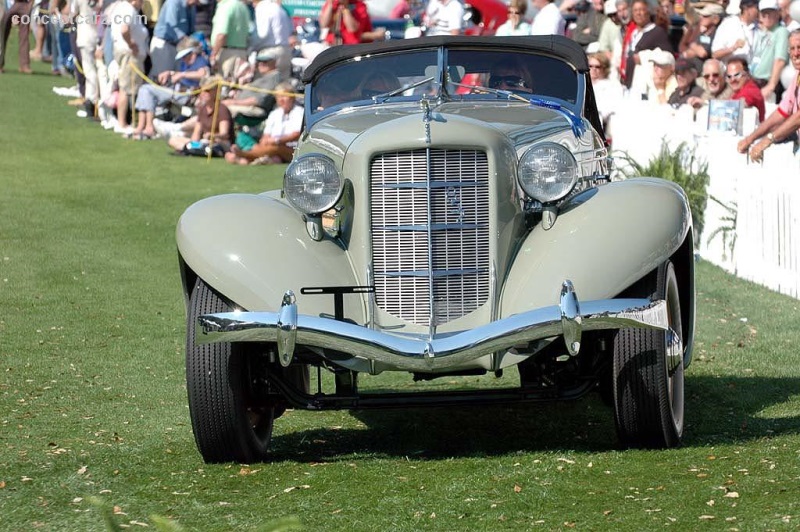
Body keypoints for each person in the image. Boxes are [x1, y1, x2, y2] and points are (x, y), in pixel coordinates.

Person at [130, 36, 210, 140]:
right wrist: (171, 73)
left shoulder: (200, 61)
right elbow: (180, 74)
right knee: (145, 89)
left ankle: (148, 127)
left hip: (186, 94)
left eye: (186, 56)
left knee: (147, 90)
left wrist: (182, 75)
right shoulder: (186, 63)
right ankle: (142, 126)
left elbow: (203, 74)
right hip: (176, 91)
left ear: (193, 53)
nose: (184, 59)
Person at [738, 30, 800, 160]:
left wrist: (768, 139)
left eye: (799, 47)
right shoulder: (797, 77)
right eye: (792, 49)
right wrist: (751, 138)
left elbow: (798, 117)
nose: (796, 53)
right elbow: (781, 113)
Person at [225, 81, 303, 164]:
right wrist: (265, 141)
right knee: (273, 154)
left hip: (293, 149)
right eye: (279, 96)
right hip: (273, 148)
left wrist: (277, 141)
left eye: (284, 96)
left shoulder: (299, 112)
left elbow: (296, 134)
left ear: (292, 97)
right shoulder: (275, 113)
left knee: (276, 148)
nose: (281, 99)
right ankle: (247, 161)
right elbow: (266, 135)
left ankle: (244, 155)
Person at [111, 0, 150, 135]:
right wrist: (132, 44)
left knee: (127, 88)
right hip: (129, 54)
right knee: (126, 88)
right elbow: (124, 29)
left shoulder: (122, 8)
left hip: (125, 52)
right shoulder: (128, 9)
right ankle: (122, 122)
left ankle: (126, 121)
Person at [169, 76, 234, 154]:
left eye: (207, 91)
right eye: (202, 90)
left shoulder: (222, 109)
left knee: (208, 144)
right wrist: (193, 142)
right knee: (173, 140)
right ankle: (192, 149)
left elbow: (224, 134)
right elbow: (197, 132)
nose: (203, 94)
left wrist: (212, 136)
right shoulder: (203, 109)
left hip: (219, 143)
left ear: (216, 91)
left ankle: (190, 149)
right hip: (203, 142)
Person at [623, 0, 674, 88]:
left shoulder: (657, 32)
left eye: (641, 10)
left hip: (646, 84)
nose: (638, 13)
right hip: (629, 80)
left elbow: (668, 56)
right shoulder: (633, 32)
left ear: (648, 12)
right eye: (635, 10)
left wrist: (644, 56)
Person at [221, 48, 281, 118]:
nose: (261, 64)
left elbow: (258, 100)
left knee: (223, 110)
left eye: (265, 61)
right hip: (244, 105)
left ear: (274, 62)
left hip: (255, 109)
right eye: (259, 61)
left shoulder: (272, 78)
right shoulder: (265, 77)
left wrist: (233, 102)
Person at [750, 0, 789, 102]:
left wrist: (771, 85)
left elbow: (780, 60)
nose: (766, 16)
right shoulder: (763, 32)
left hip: (767, 83)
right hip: (754, 81)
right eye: (764, 13)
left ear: (777, 13)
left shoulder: (781, 32)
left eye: (770, 12)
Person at [149, 0, 198, 78]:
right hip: (164, 44)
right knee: (160, 76)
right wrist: (187, 40)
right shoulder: (173, 2)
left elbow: (192, 29)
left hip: (178, 46)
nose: (197, 3)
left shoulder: (192, 7)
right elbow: (172, 27)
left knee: (174, 76)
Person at [250, 0, 293, 80]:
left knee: (264, 85)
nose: (252, 4)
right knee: (282, 87)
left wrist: (250, 49)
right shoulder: (280, 9)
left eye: (253, 2)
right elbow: (290, 31)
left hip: (269, 53)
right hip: (285, 50)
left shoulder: (262, 8)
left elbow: (262, 34)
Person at [210, 0, 251, 78]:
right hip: (242, 53)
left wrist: (214, 54)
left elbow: (221, 34)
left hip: (227, 54)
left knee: (224, 85)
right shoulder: (243, 7)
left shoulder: (226, 7)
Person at [588, 52, 623, 127]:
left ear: (604, 68)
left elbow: (609, 109)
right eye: (590, 66)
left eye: (597, 67)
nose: (593, 69)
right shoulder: (583, 84)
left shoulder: (613, 86)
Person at [726, 55, 766, 120]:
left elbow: (741, 104)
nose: (732, 80)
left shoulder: (751, 90)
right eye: (729, 76)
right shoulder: (739, 90)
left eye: (737, 75)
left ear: (747, 74)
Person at [0, 0, 34, 73]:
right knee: (1, 35)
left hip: (24, 3)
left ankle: (24, 65)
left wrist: (30, 6)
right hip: (7, 3)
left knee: (24, 36)